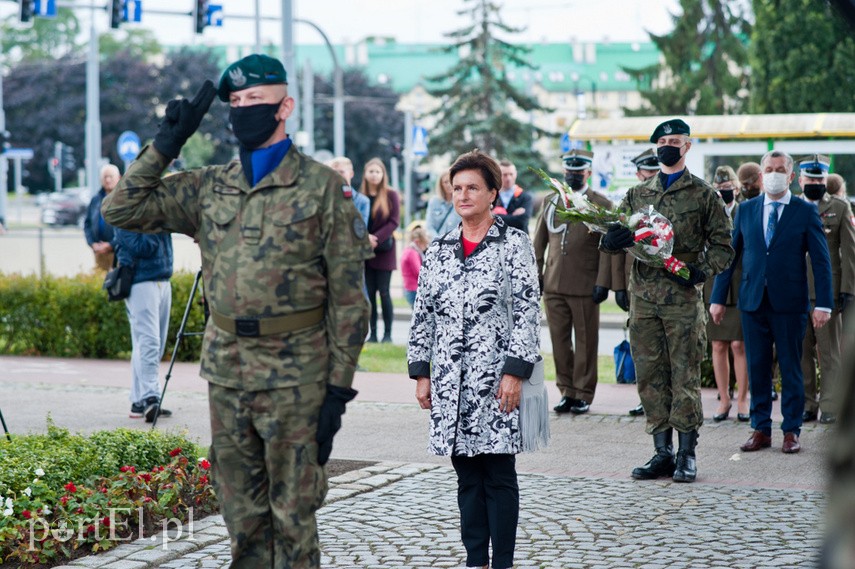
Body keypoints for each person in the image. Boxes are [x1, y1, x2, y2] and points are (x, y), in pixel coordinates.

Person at [102, 54, 372, 568]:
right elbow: (122, 208)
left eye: (257, 101)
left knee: (293, 518)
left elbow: (348, 301)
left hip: (298, 379)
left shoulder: (321, 189)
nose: (244, 110)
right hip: (228, 373)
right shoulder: (209, 186)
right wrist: (167, 144)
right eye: (237, 102)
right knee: (241, 518)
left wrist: (337, 391)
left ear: (284, 107)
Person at [408, 149, 540, 569]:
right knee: (466, 476)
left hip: (498, 381)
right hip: (450, 382)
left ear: (492, 194)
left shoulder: (514, 244)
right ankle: (473, 560)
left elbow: (527, 311)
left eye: (472, 188)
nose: (463, 195)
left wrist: (515, 372)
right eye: (457, 188)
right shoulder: (441, 249)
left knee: (498, 475)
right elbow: (423, 314)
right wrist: (421, 373)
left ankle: (502, 560)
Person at [601, 119, 734, 483]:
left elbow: (724, 247)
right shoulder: (637, 194)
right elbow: (618, 230)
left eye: (674, 141)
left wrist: (700, 271)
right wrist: (611, 241)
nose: (667, 147)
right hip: (644, 300)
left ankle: (687, 453)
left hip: (682, 300)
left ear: (687, 146)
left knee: (684, 375)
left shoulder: (704, 195)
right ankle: (662, 451)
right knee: (650, 376)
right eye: (662, 142)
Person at [710, 149, 833, 455]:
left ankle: (791, 430)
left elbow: (821, 261)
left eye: (780, 169)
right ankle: (760, 428)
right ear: (761, 174)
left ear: (791, 177)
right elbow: (730, 256)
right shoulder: (747, 210)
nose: (774, 173)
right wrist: (717, 299)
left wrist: (824, 304)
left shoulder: (804, 212)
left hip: (790, 302)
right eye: (769, 168)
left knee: (791, 366)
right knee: (757, 365)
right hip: (752, 301)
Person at [533, 148, 621, 415]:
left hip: (585, 283)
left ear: (589, 172)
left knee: (585, 342)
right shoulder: (551, 201)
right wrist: (536, 276)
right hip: (553, 284)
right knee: (559, 342)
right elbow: (539, 242)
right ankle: (567, 391)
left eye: (578, 170)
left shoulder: (601, 204)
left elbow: (608, 248)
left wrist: (603, 283)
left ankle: (584, 393)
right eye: (569, 171)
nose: (572, 175)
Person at [797, 155, 855, 425]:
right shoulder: (791, 207)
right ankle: (807, 404)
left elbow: (849, 253)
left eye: (820, 178)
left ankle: (830, 404)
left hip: (826, 293)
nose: (815, 183)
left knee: (829, 352)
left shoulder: (840, 207)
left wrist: (848, 290)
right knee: (801, 352)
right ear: (800, 180)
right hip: (795, 291)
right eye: (810, 178)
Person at [704, 165, 750, 422]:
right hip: (716, 284)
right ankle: (724, 399)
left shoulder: (745, 209)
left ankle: (743, 399)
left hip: (742, 283)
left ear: (737, 188)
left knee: (739, 344)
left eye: (728, 189)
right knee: (719, 345)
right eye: (719, 189)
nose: (724, 193)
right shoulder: (710, 212)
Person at [114, 228, 174, 422]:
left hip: (162, 277)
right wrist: (156, 222)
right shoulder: (126, 210)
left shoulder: (153, 206)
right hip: (141, 280)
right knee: (149, 342)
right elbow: (144, 247)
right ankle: (151, 397)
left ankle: (139, 401)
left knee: (147, 343)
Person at [626, 148, 659, 417]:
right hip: (635, 284)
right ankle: (644, 398)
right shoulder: (631, 200)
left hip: (666, 285)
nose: (653, 175)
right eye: (648, 171)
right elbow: (615, 244)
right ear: (639, 173)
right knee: (642, 349)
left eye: (656, 170)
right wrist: (615, 285)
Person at [360, 157, 400, 343]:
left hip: (384, 250)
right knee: (369, 293)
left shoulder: (391, 195)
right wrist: (365, 238)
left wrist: (376, 238)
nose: (374, 175)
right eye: (371, 171)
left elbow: (394, 221)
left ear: (383, 174)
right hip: (365, 251)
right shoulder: (360, 196)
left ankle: (388, 334)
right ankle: (373, 334)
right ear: (365, 174)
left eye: (378, 171)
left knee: (384, 292)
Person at [84, 164, 120, 272]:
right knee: (100, 283)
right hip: (99, 252)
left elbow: (128, 228)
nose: (108, 180)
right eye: (105, 177)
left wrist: (111, 245)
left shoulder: (123, 199)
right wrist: (92, 243)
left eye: (111, 176)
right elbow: (87, 224)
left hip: (117, 252)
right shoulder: (96, 200)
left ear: (118, 178)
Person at [493, 159, 533, 233]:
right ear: (498, 175)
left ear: (516, 174)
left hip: (520, 242)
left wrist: (495, 216)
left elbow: (521, 222)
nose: (508, 178)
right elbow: (484, 221)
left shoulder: (525, 197)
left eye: (511, 174)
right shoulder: (491, 197)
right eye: (504, 175)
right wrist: (513, 216)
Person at [328, 156, 370, 227]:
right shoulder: (324, 198)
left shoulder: (362, 201)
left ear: (351, 174)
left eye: (341, 172)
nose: (337, 175)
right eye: (334, 172)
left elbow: (360, 229)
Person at [425, 168, 462, 240]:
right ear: (441, 185)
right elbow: (429, 227)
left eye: (451, 181)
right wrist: (438, 241)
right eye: (445, 182)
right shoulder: (434, 202)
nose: (449, 185)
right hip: (438, 244)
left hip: (457, 244)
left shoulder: (461, 201)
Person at [400, 222, 429, 307]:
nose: (425, 246)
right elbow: (419, 272)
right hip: (414, 289)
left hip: (409, 289)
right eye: (424, 243)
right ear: (417, 241)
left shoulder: (408, 250)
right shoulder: (412, 253)